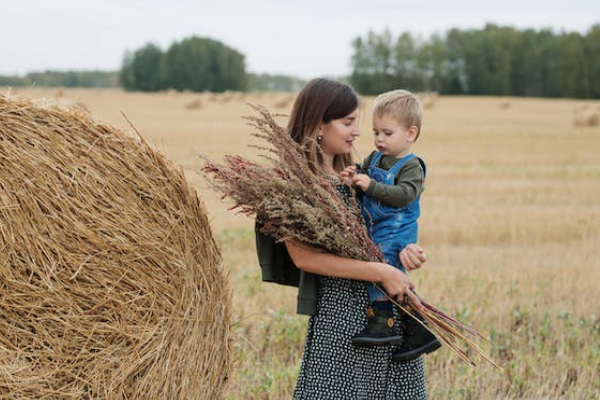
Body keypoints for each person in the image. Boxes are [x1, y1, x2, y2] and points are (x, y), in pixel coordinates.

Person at [271, 78, 429, 399]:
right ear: (318, 124)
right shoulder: (295, 185)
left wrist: (405, 253)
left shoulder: (355, 174)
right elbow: (305, 258)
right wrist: (381, 272)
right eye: (348, 123)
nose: (358, 132)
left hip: (387, 310)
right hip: (341, 317)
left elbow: (386, 225)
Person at [342, 89, 441, 362]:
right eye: (375, 132)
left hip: (398, 229)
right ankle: (416, 327)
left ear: (410, 134)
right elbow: (363, 180)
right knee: (385, 268)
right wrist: (354, 176)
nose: (379, 139)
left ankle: (382, 320)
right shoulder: (374, 159)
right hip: (376, 226)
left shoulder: (412, 166)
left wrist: (371, 186)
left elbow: (405, 195)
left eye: (387, 133)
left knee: (383, 265)